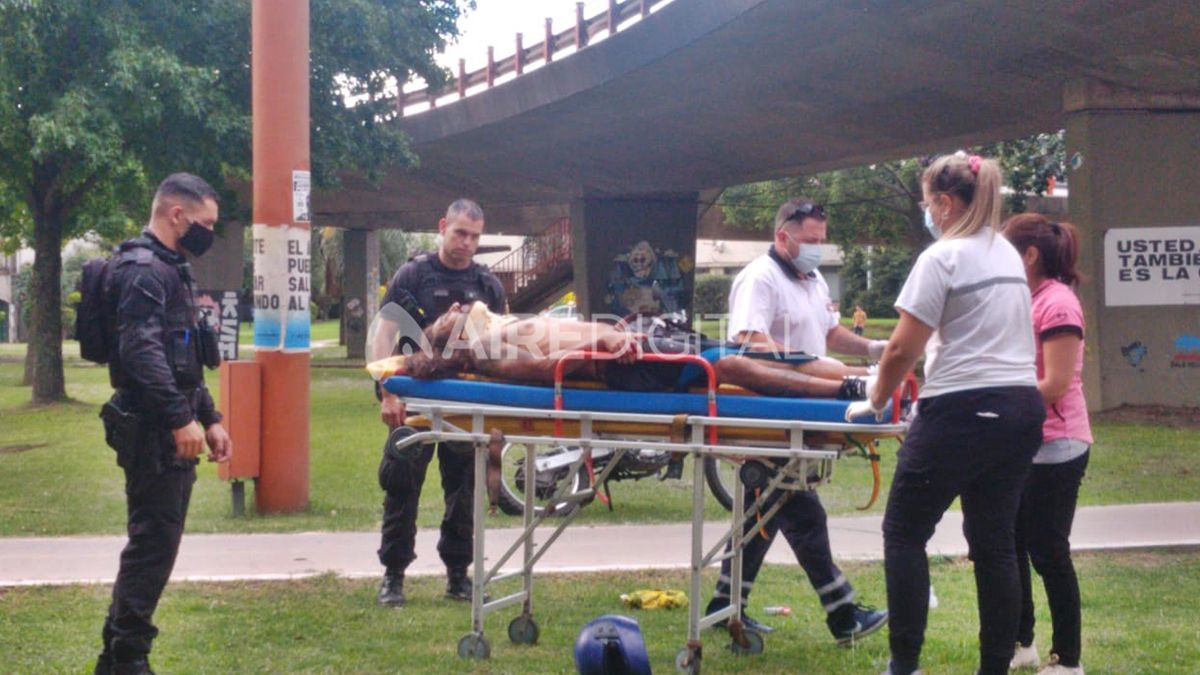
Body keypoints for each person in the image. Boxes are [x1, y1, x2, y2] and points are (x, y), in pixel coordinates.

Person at [847, 154, 1045, 675]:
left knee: (904, 532)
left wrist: (873, 400)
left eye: (927, 202)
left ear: (945, 202)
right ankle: (993, 668)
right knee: (995, 543)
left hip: (963, 408)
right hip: (1020, 408)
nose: (926, 212)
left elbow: (899, 352)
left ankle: (904, 663)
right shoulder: (1004, 253)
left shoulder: (942, 257)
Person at [703, 198, 889, 643]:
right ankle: (842, 613)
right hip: (771, 407)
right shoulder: (759, 280)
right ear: (781, 236)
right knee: (796, 508)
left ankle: (724, 606)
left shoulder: (812, 278)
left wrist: (870, 351)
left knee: (762, 510)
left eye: (821, 242)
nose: (816, 249)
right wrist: (814, 370)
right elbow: (750, 343)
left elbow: (829, 332)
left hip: (804, 408)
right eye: (809, 241)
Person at [94, 173, 232, 675]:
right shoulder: (143, 270)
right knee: (153, 543)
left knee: (156, 541)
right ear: (177, 215)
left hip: (169, 422)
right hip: (152, 429)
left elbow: (184, 358)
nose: (208, 233)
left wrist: (209, 416)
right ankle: (128, 658)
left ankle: (116, 659)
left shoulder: (171, 268)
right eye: (205, 223)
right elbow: (141, 351)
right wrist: (180, 419)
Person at [373, 199, 506, 608]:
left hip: (465, 406)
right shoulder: (413, 274)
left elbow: (505, 344)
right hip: (413, 401)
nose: (466, 243)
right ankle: (393, 576)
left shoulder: (487, 285)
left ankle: (458, 575)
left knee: (464, 489)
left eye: (475, 236)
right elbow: (384, 334)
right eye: (460, 233)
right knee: (401, 485)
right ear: (443, 227)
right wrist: (386, 390)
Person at [402, 300, 875, 399]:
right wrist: (604, 342)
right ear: (454, 336)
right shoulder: (489, 353)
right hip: (625, 361)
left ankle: (861, 381)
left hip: (637, 339)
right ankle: (847, 392)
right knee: (728, 364)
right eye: (449, 313)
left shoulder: (501, 328)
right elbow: (547, 369)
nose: (460, 305)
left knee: (734, 351)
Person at [1001, 214, 1091, 675]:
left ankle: (1067, 660)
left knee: (1048, 551)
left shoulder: (1058, 305)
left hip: (1058, 446)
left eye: (1005, 250)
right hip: (1024, 444)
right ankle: (1022, 644)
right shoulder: (1026, 297)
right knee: (1012, 546)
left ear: (1029, 255)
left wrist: (991, 388)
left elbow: (1055, 385)